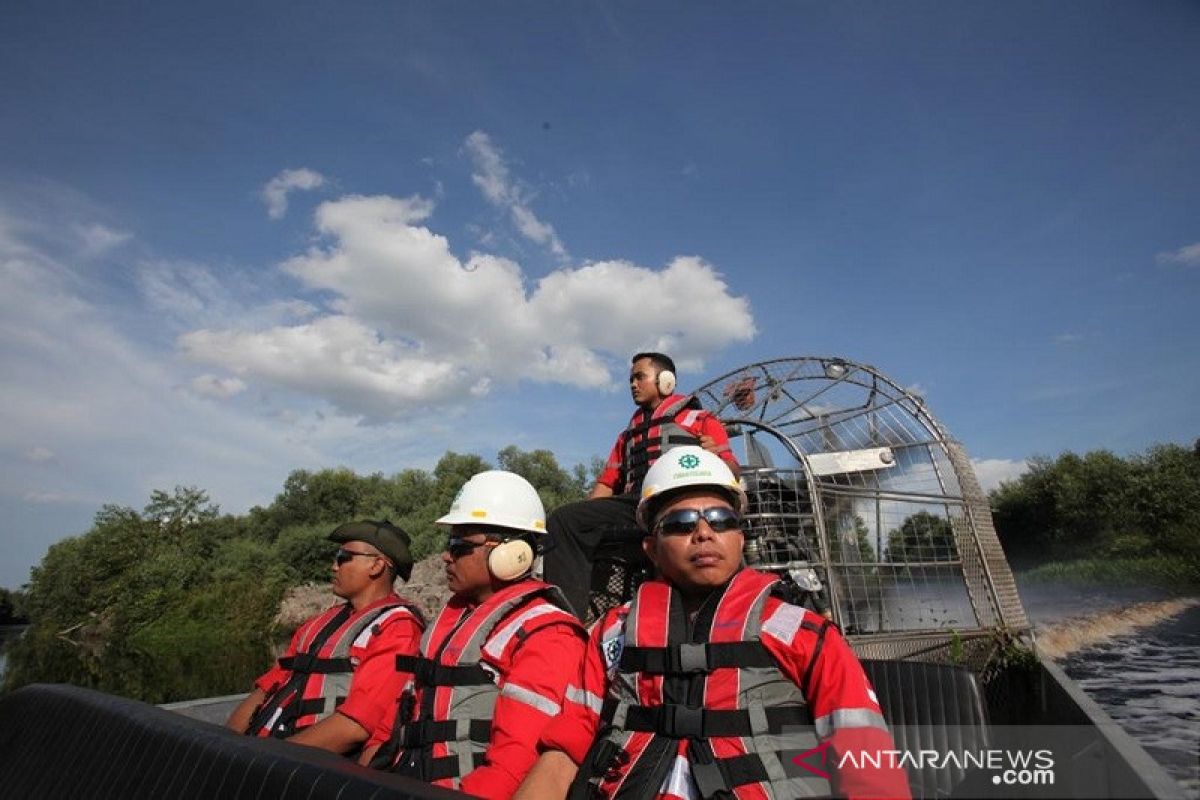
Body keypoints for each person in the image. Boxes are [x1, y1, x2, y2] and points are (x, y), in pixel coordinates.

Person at [516, 447, 911, 800]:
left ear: (740, 538)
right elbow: (560, 755)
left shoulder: (802, 633)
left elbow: (869, 768)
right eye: (681, 523)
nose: (704, 533)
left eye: (721, 520)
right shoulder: (611, 634)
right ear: (651, 548)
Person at [362, 470, 588, 799]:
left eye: (459, 546)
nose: (445, 555)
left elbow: (514, 763)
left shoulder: (548, 634)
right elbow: (397, 718)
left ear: (513, 554)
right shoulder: (452, 619)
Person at [543, 352, 740, 618]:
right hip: (636, 504)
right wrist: (585, 518)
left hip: (680, 501)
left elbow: (733, 472)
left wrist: (715, 456)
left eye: (640, 377)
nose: (633, 385)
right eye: (631, 380)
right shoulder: (628, 435)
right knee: (565, 521)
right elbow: (606, 483)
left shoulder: (701, 419)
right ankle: (564, 621)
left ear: (665, 380)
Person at [225, 520, 424, 756]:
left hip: (316, 769)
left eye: (343, 557)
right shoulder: (317, 625)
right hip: (267, 755)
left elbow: (355, 727)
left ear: (376, 565)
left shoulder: (398, 629)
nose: (333, 566)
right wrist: (227, 747)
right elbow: (265, 689)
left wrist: (271, 757)